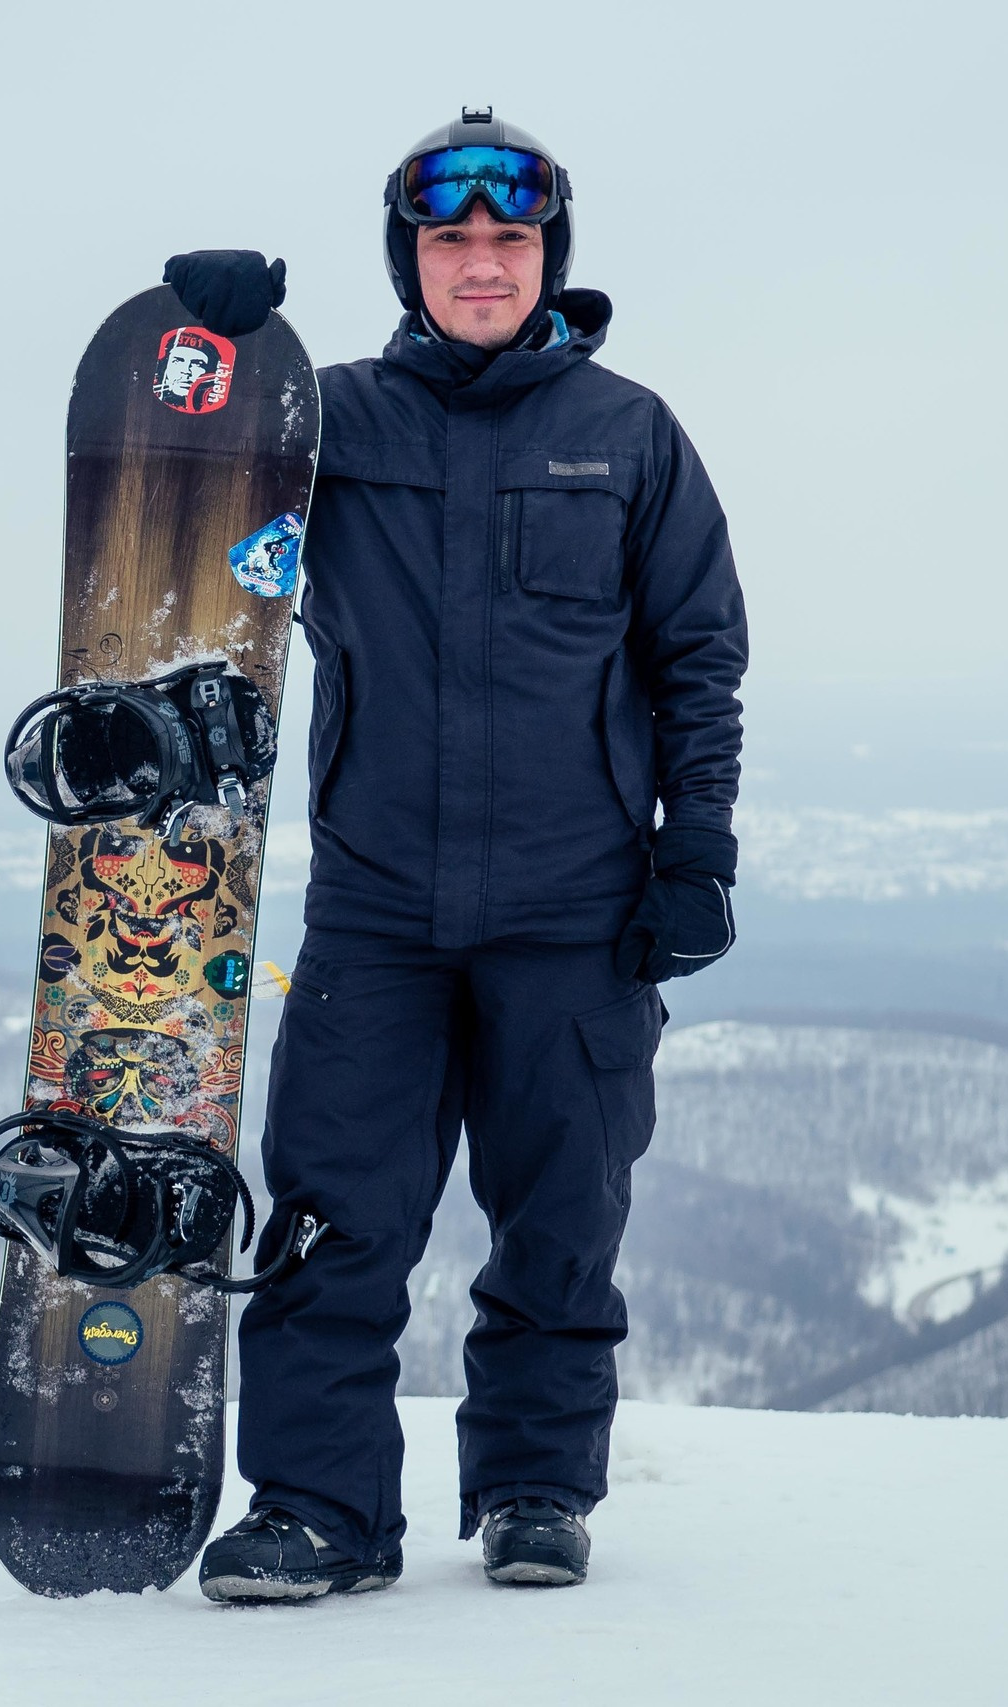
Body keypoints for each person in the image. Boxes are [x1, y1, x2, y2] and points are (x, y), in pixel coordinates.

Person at [161, 108, 748, 1602]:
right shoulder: (333, 421)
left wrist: (698, 849)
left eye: (509, 237)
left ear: (548, 253)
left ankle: (537, 1491)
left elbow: (699, 658)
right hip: (378, 913)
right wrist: (212, 347)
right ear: (407, 259)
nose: (481, 263)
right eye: (449, 239)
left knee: (562, 1224)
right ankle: (319, 1510)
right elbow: (192, 486)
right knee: (331, 1222)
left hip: (578, 911)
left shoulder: (631, 436)